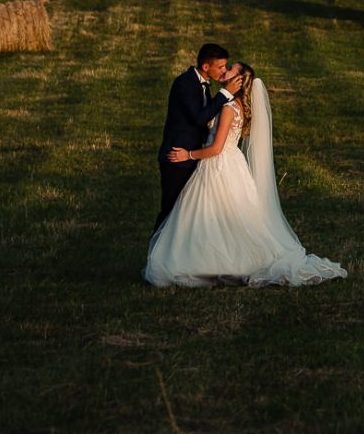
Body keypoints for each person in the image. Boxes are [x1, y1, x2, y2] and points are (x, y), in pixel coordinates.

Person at [143, 63, 347, 288]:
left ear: (239, 80)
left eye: (230, 69)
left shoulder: (229, 107)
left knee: (214, 213)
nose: (225, 70)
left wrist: (187, 155)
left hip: (218, 164)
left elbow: (216, 148)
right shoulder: (233, 104)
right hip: (231, 163)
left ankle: (215, 261)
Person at [154, 43, 243, 233]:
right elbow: (199, 117)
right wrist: (225, 93)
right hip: (177, 158)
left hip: (192, 157)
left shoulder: (203, 85)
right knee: (170, 211)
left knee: (186, 213)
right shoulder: (185, 84)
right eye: (220, 67)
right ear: (205, 67)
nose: (223, 71)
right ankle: (156, 256)